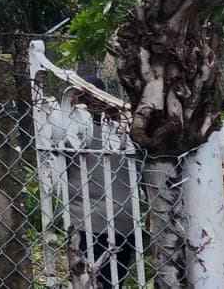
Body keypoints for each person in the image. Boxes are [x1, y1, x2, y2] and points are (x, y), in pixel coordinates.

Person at [66, 74, 137, 289]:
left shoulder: (72, 134)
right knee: (113, 282)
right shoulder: (123, 132)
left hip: (90, 223)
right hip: (126, 222)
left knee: (93, 283)